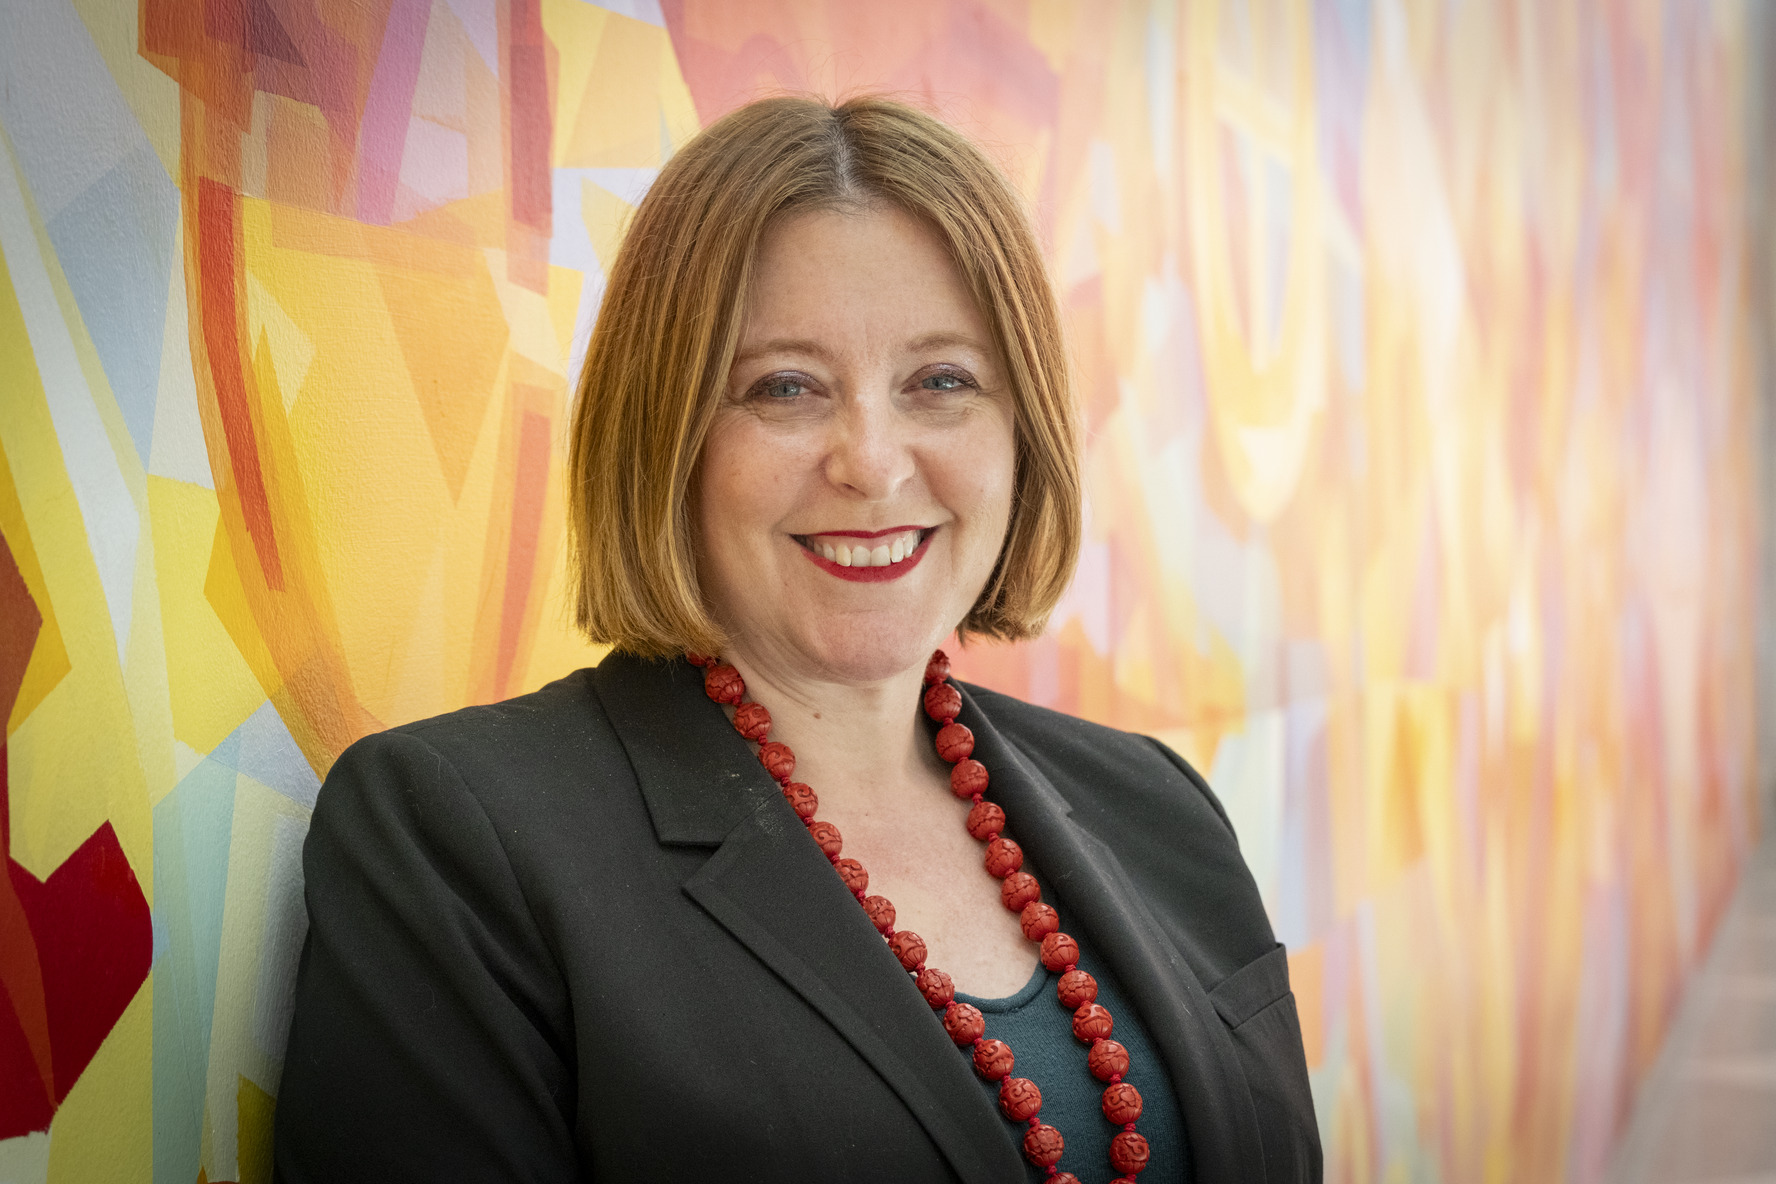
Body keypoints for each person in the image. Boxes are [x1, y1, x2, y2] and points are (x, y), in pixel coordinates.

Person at [274, 95, 1320, 1184]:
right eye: (785, 387)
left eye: (941, 381)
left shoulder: (1157, 804)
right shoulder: (459, 836)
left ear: (1024, 431)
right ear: (666, 430)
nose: (871, 460)